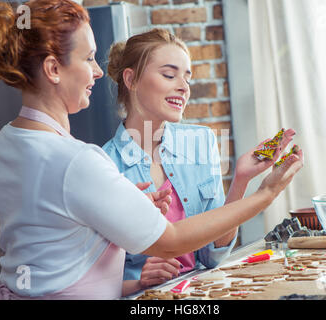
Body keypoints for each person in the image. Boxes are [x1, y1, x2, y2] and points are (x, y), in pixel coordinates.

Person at [0, 0, 303, 300]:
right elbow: (170, 240)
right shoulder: (81, 161)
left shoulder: (1, 147)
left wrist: (128, 209)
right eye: (88, 59)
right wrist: (267, 194)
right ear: (53, 69)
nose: (98, 71)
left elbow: (55, 247)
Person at [103, 28, 296, 290]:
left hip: (199, 292)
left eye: (187, 78)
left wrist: (240, 180)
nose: (183, 87)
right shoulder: (104, 165)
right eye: (169, 75)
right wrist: (136, 281)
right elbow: (89, 282)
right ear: (131, 79)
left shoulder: (201, 142)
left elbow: (211, 256)